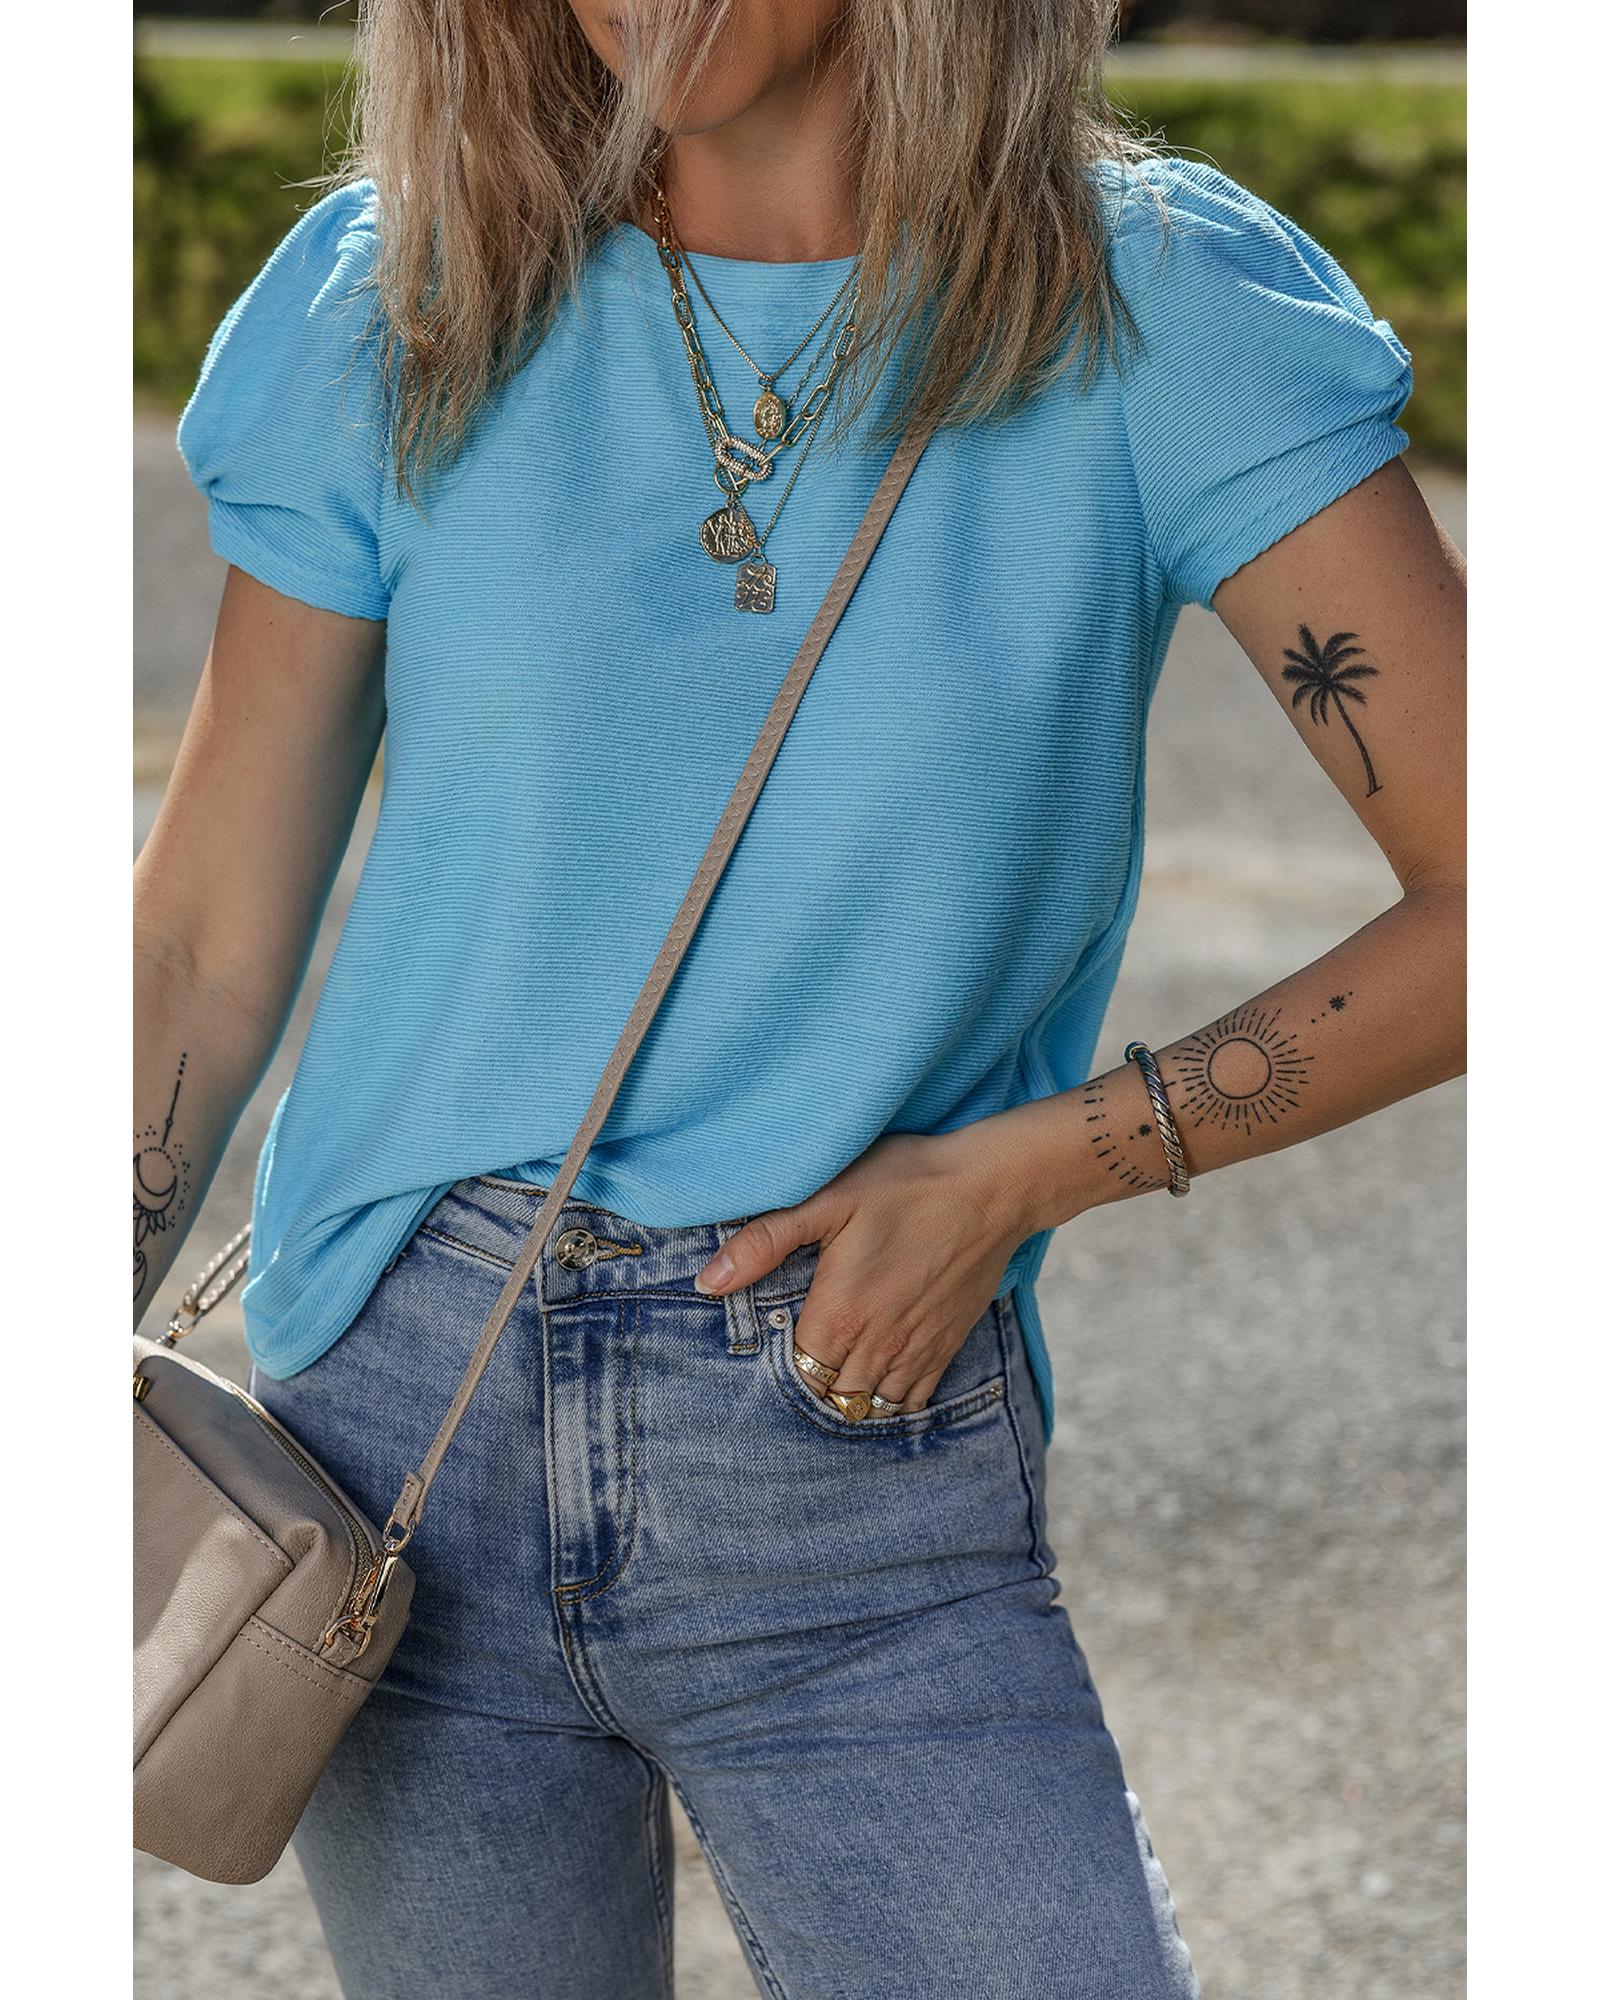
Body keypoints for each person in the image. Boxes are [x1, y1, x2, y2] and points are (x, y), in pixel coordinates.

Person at [133, 2, 1466, 1994]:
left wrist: (1039, 1166)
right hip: (389, 1433)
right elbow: (198, 940)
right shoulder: (401, 295)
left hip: (846, 1422)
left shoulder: (1160, 309)